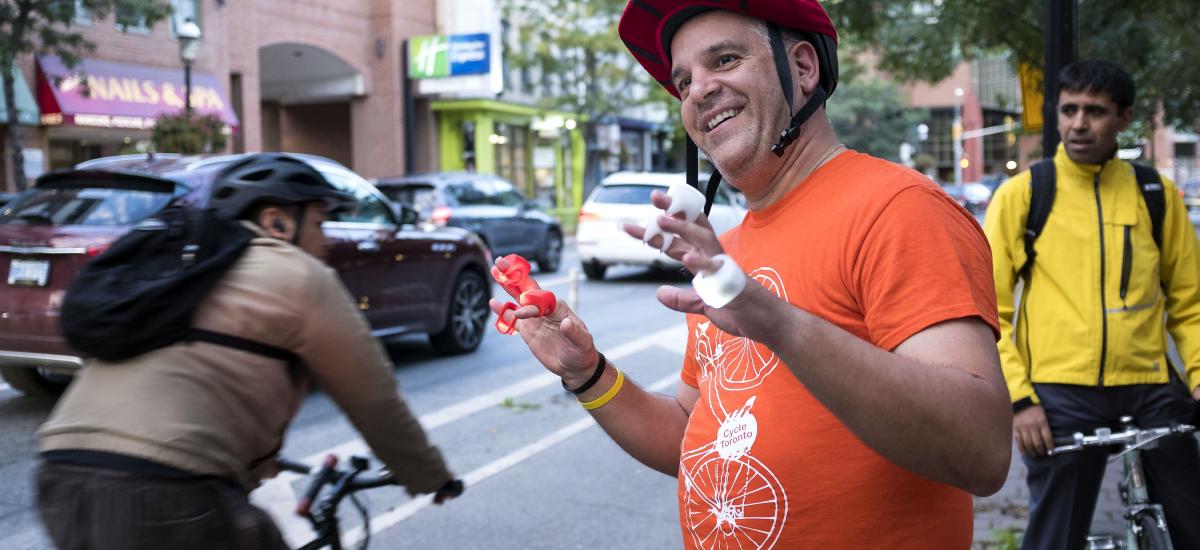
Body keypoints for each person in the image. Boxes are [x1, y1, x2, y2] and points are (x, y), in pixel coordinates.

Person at [491, 1, 1011, 547]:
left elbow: (981, 451)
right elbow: (692, 439)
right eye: (684, 80)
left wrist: (778, 324)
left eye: (725, 59)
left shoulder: (899, 208)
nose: (697, 90)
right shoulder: (728, 249)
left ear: (804, 68)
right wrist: (587, 373)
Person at [36, 154, 461, 549]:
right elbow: (374, 399)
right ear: (276, 221)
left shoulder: (186, 269)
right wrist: (429, 475)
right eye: (318, 221)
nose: (325, 239)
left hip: (61, 474)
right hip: (167, 490)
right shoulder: (299, 275)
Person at [984, 59, 1200, 550]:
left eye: (1096, 111)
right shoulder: (1026, 194)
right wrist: (1019, 402)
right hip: (1061, 392)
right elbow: (988, 310)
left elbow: (1189, 304)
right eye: (1069, 110)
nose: (1079, 124)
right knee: (1056, 534)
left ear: (1124, 118)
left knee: (1192, 520)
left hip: (1149, 384)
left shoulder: (1154, 195)